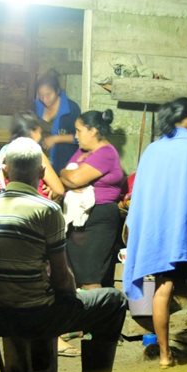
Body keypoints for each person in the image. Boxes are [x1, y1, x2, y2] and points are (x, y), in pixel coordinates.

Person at [0, 137, 127, 372]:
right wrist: (73, 298)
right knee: (113, 301)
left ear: (5, 169)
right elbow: (61, 276)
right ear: (40, 173)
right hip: (36, 315)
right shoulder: (47, 210)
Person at [123, 98, 187, 368]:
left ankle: (163, 355)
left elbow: (141, 196)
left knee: (163, 289)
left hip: (160, 234)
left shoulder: (153, 151)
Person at [60, 109, 127, 289]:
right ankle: (82, 316)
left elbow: (72, 179)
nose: (75, 136)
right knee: (77, 277)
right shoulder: (83, 152)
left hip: (98, 219)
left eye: (79, 130)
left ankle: (95, 316)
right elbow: (66, 178)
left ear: (93, 131)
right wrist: (66, 176)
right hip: (80, 219)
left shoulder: (106, 153)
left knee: (90, 277)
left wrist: (66, 175)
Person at [0, 112, 65, 201]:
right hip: (35, 204)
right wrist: (51, 190)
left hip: (11, 203)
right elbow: (59, 190)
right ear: (32, 132)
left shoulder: (6, 151)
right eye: (40, 131)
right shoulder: (34, 153)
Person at [34, 70, 82, 173]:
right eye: (41, 95)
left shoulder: (71, 109)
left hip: (63, 164)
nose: (45, 99)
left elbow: (80, 138)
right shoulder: (36, 106)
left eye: (48, 94)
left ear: (57, 91)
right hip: (40, 163)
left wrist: (56, 139)